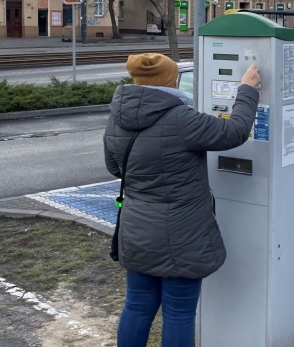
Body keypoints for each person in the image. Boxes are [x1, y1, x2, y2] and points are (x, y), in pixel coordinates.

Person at [104, 53, 260, 347]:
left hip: (136, 231)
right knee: (178, 313)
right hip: (183, 235)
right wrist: (248, 90)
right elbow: (236, 131)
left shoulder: (117, 118)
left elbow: (115, 168)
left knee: (137, 307)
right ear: (171, 80)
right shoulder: (182, 120)